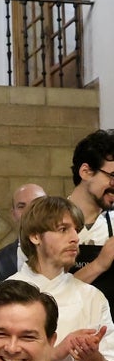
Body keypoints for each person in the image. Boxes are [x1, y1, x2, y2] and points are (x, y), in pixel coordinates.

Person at [2, 195, 114, 361]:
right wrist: (56, 353)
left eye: (76, 230)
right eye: (63, 229)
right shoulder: (3, 295)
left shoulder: (93, 298)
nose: (75, 238)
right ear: (35, 236)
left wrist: (92, 357)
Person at [69, 130, 114, 312]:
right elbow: (42, 295)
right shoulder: (46, 222)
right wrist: (99, 264)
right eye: (112, 176)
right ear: (86, 172)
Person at [0, 182, 47, 280]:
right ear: (13, 214)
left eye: (36, 204)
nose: (29, 211)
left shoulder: (67, 254)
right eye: (21, 206)